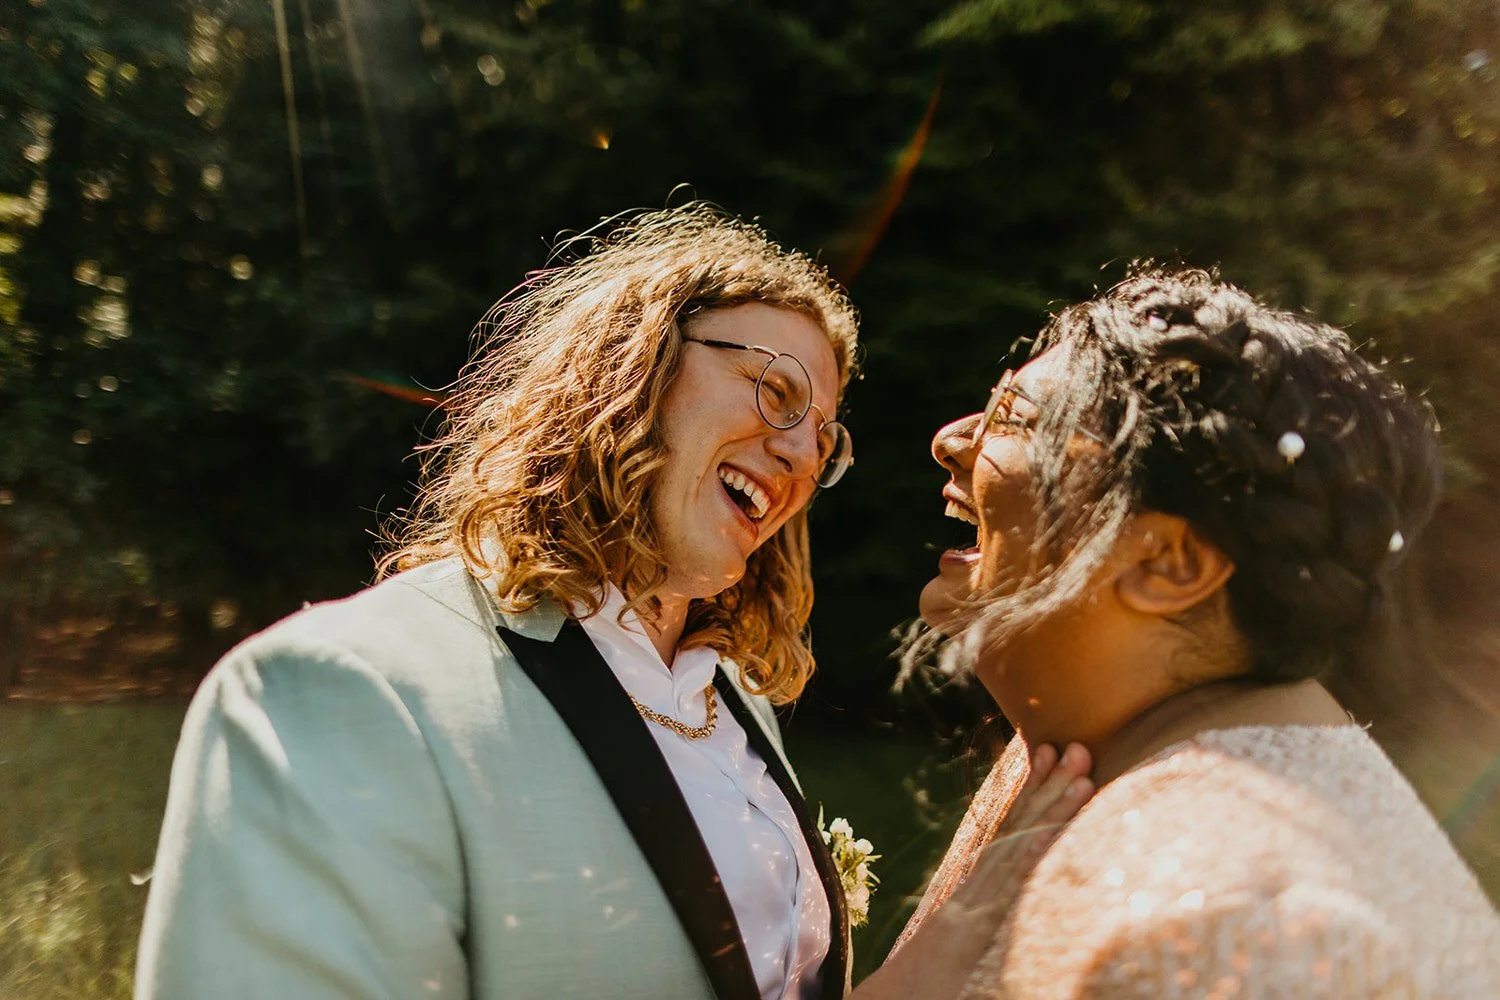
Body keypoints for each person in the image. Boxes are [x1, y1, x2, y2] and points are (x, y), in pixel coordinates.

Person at [136, 204, 867, 1000]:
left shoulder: (738, 707)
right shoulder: (344, 690)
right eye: (775, 391)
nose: (800, 452)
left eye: (824, 439)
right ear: (637, 366)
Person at [869, 268, 1500, 997]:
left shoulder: (1232, 931)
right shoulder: (1088, 754)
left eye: (1013, 418)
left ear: (1170, 563)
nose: (952, 441)